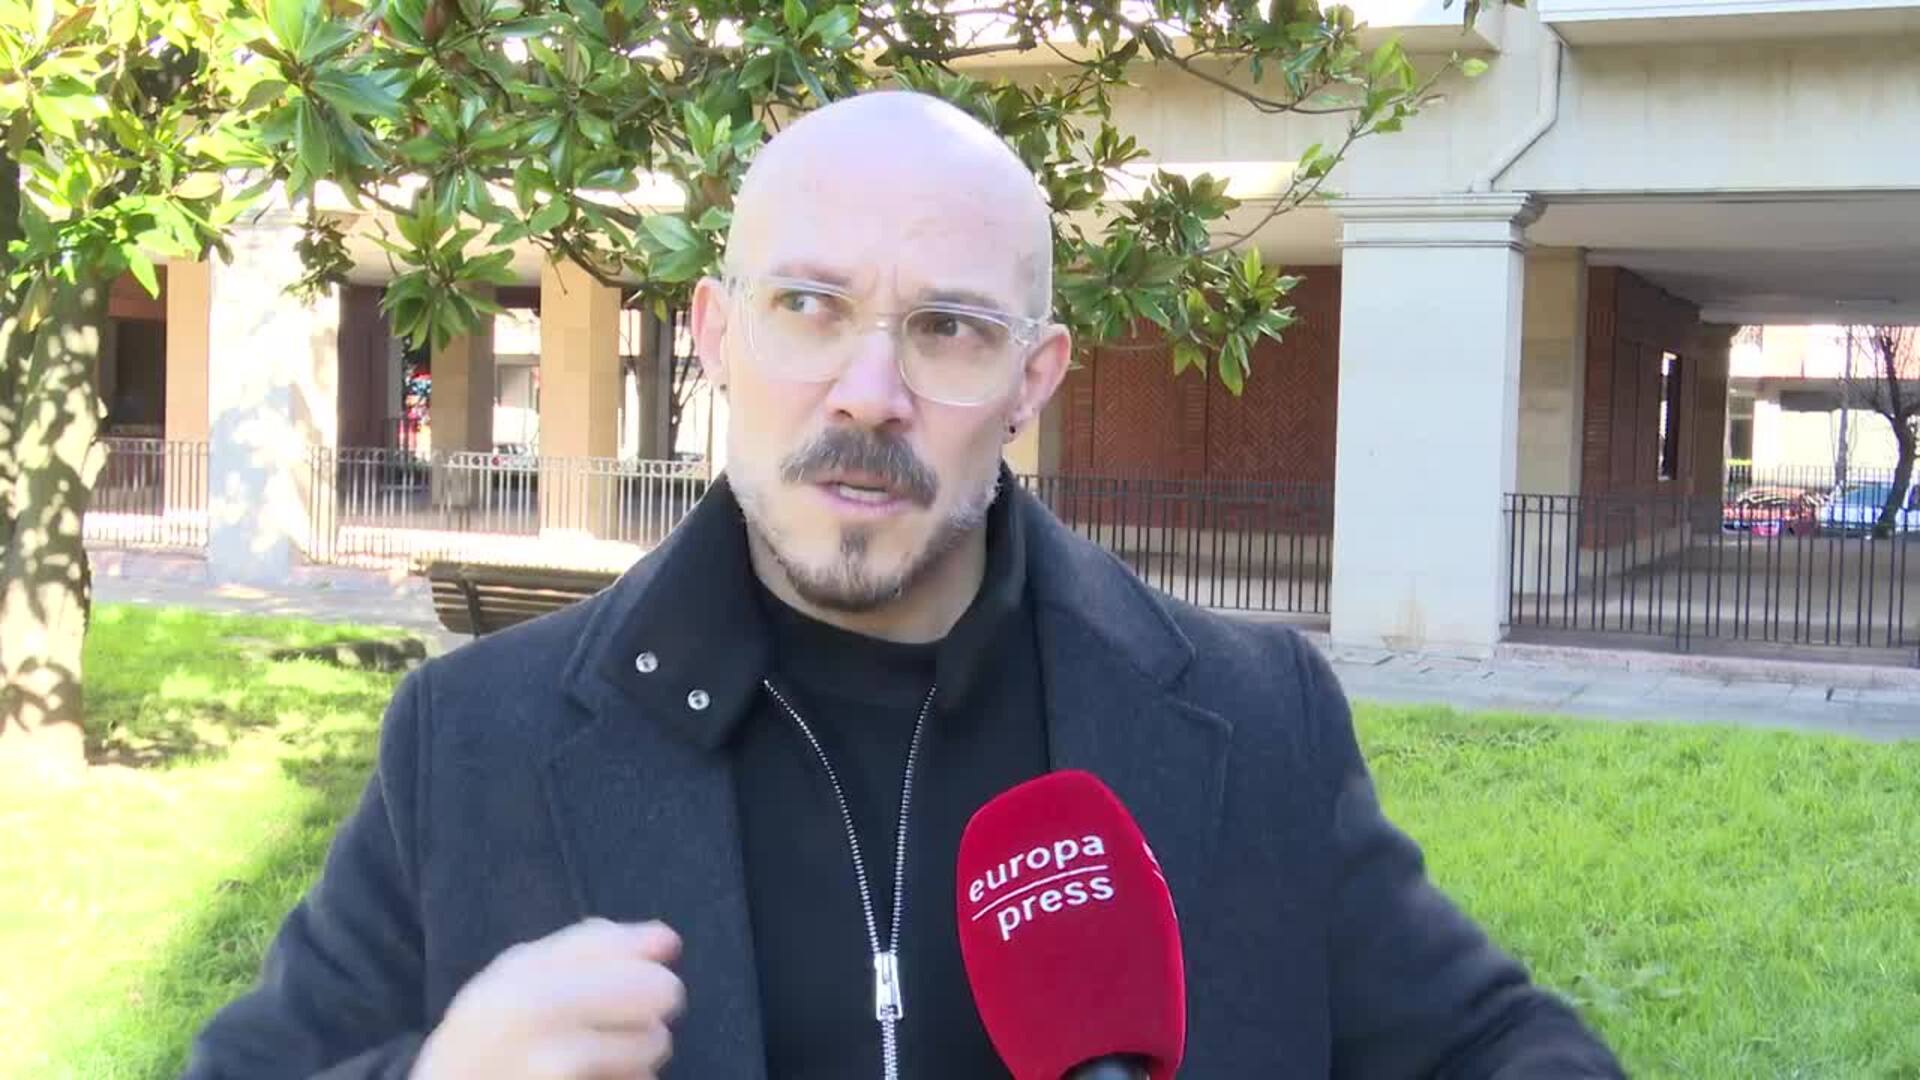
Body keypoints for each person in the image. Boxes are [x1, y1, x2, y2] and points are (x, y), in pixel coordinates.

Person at [182, 90, 1624, 1079]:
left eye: (947, 329)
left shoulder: (1255, 721)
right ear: (717, 337)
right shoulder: (472, 744)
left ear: (1031, 382)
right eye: (808, 306)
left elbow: (1503, 1051)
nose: (869, 391)